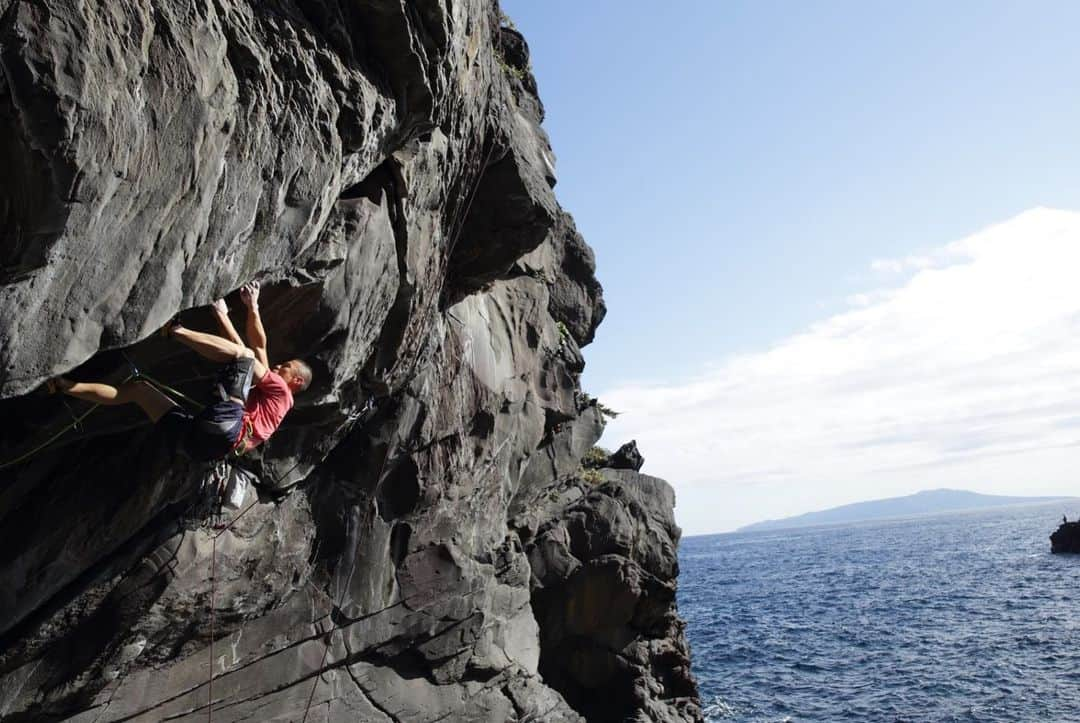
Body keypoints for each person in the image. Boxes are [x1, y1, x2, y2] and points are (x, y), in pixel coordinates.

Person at [48, 281, 312, 461]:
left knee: (245, 356)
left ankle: (174, 330)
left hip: (227, 428)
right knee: (139, 391)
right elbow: (250, 351)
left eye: (285, 368)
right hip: (200, 447)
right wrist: (223, 314)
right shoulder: (274, 404)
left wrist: (247, 308)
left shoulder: (282, 394)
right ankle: (65, 386)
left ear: (296, 381)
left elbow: (251, 351)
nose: (279, 367)